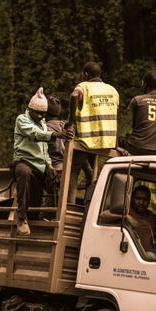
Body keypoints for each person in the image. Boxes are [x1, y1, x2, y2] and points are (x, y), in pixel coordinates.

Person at [12, 87, 73, 235]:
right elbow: (35, 134)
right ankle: (20, 218)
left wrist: (49, 165)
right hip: (23, 162)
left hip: (39, 166)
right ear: (30, 109)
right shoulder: (22, 119)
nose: (40, 116)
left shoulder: (43, 123)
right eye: (37, 113)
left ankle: (40, 218)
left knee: (39, 197)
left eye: (43, 113)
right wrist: (55, 134)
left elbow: (44, 149)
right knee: (24, 173)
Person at [67, 61, 120, 203]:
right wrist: (116, 143)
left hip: (87, 139)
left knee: (73, 172)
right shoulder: (112, 90)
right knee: (94, 174)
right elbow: (114, 115)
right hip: (106, 142)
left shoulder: (83, 86)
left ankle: (70, 207)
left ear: (85, 74)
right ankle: (89, 207)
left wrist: (71, 120)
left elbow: (73, 96)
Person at [120, 69, 156, 155]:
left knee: (117, 140)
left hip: (136, 147)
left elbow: (128, 128)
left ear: (145, 84)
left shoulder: (137, 100)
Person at [99, 185, 156, 255]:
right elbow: (103, 215)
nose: (141, 202)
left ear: (149, 201)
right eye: (138, 198)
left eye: (145, 200)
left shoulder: (150, 215)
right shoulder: (126, 210)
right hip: (133, 254)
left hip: (151, 254)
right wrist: (126, 217)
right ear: (131, 198)